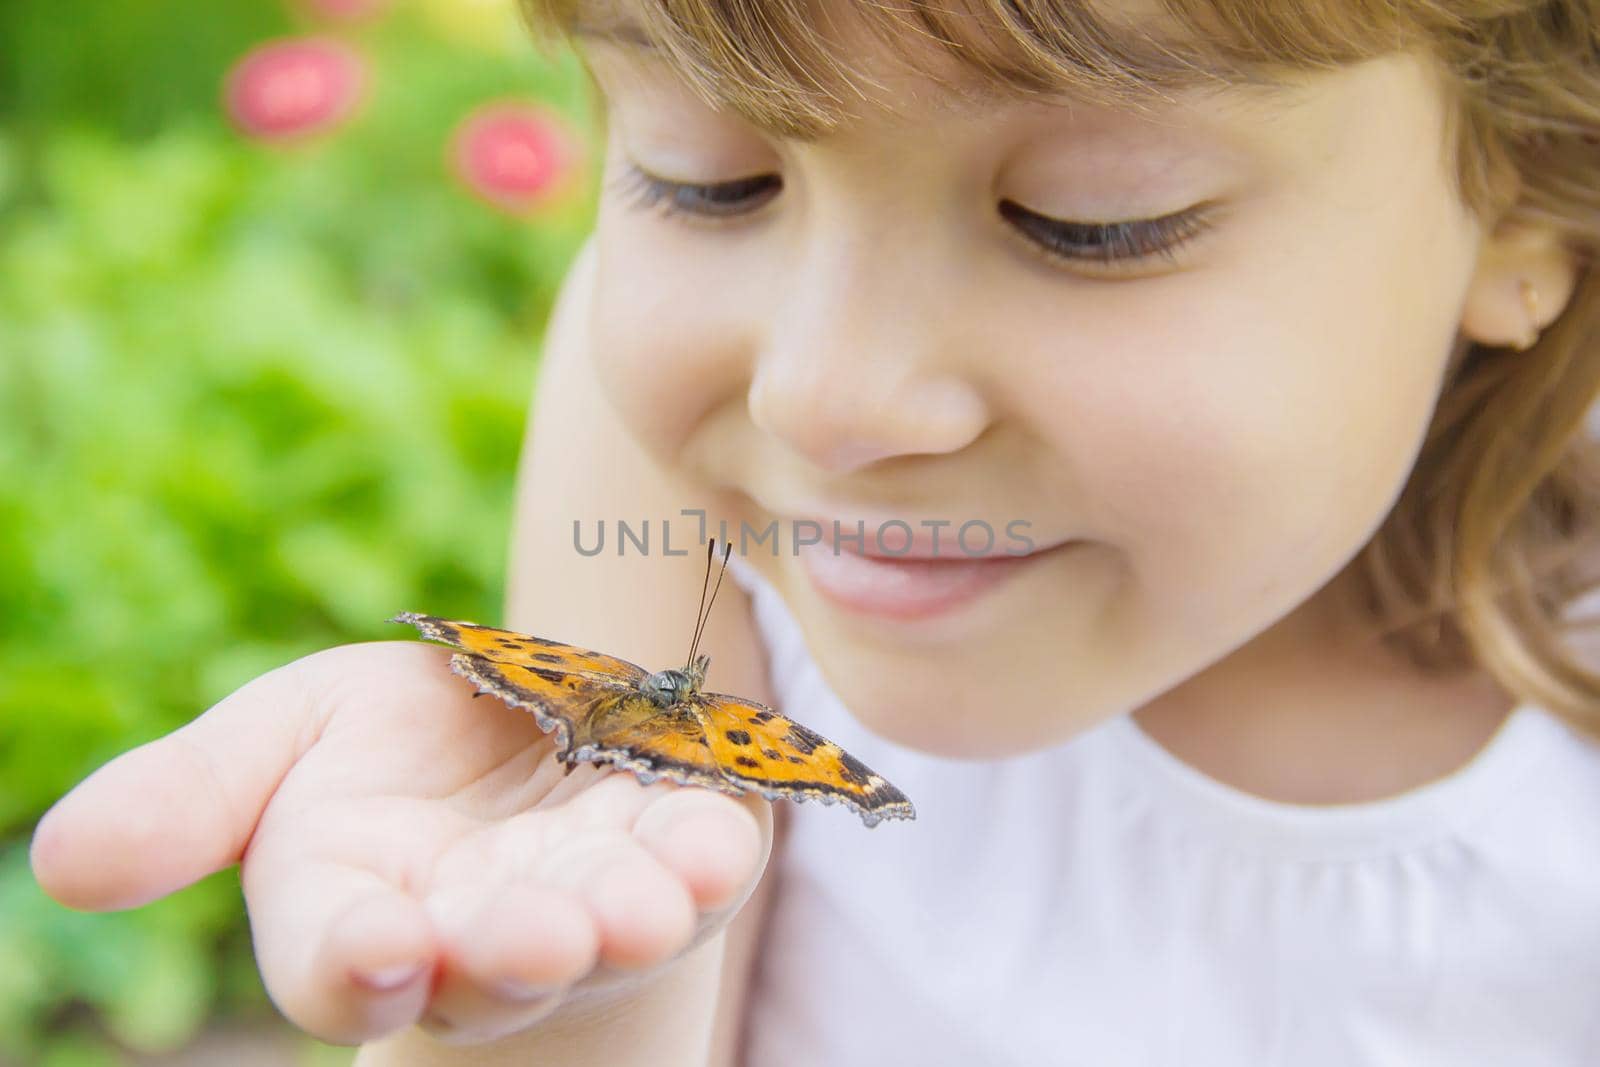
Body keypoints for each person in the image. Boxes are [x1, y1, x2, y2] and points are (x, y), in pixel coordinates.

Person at [30, 0, 1600, 1063]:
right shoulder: (684, 487)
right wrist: (537, 978)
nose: (826, 397)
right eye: (706, 184)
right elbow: (616, 952)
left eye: (1089, 222)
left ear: (1531, 192)